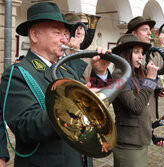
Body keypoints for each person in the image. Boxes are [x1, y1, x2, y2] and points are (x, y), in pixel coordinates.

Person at [0, 2, 110, 167]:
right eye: (57, 32)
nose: (64, 38)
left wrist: (100, 73)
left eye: (66, 33)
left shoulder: (67, 70)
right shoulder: (18, 73)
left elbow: (97, 104)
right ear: (35, 35)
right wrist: (73, 106)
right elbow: (25, 125)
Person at [111, 34, 164, 167]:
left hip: (141, 139)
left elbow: (145, 94)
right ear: (125, 54)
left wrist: (158, 88)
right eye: (136, 52)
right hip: (128, 143)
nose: (141, 56)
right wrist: (150, 80)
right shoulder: (118, 74)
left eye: (141, 52)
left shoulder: (138, 72)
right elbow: (136, 106)